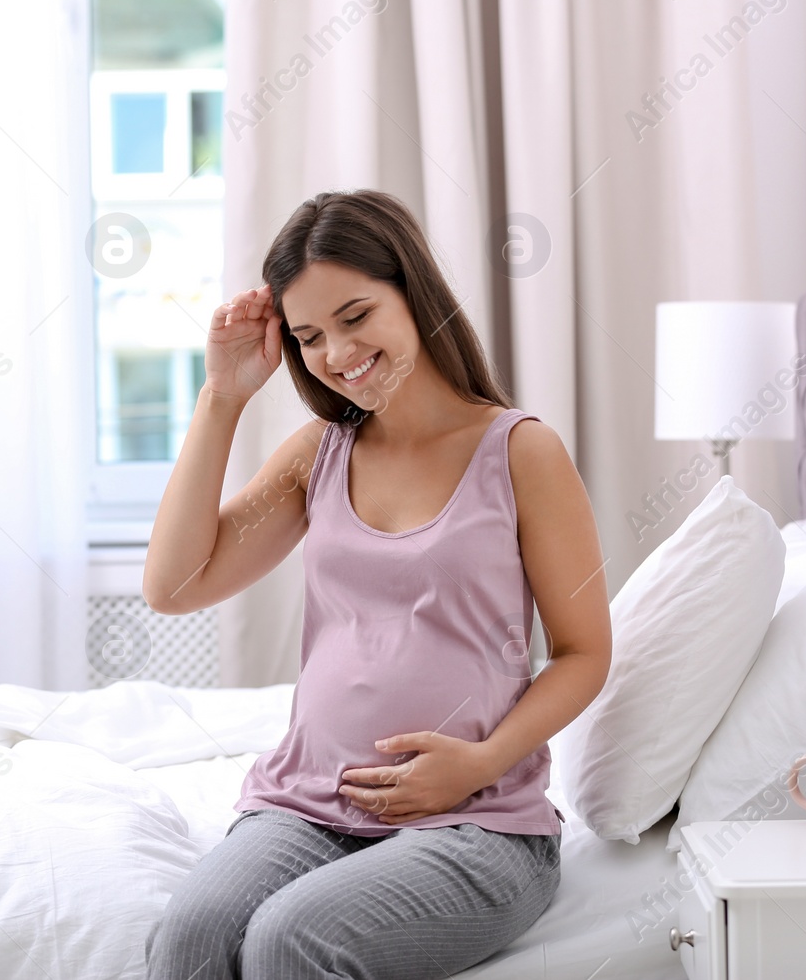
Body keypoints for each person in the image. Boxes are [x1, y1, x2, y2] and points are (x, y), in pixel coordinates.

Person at [141, 189, 612, 979]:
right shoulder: (316, 454)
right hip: (307, 803)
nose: (336, 352)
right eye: (310, 335)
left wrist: (481, 761)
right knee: (190, 935)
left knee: (291, 939)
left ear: (413, 293)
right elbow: (174, 584)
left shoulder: (521, 451)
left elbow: (583, 652)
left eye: (356, 315)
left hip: (479, 820)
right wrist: (221, 396)